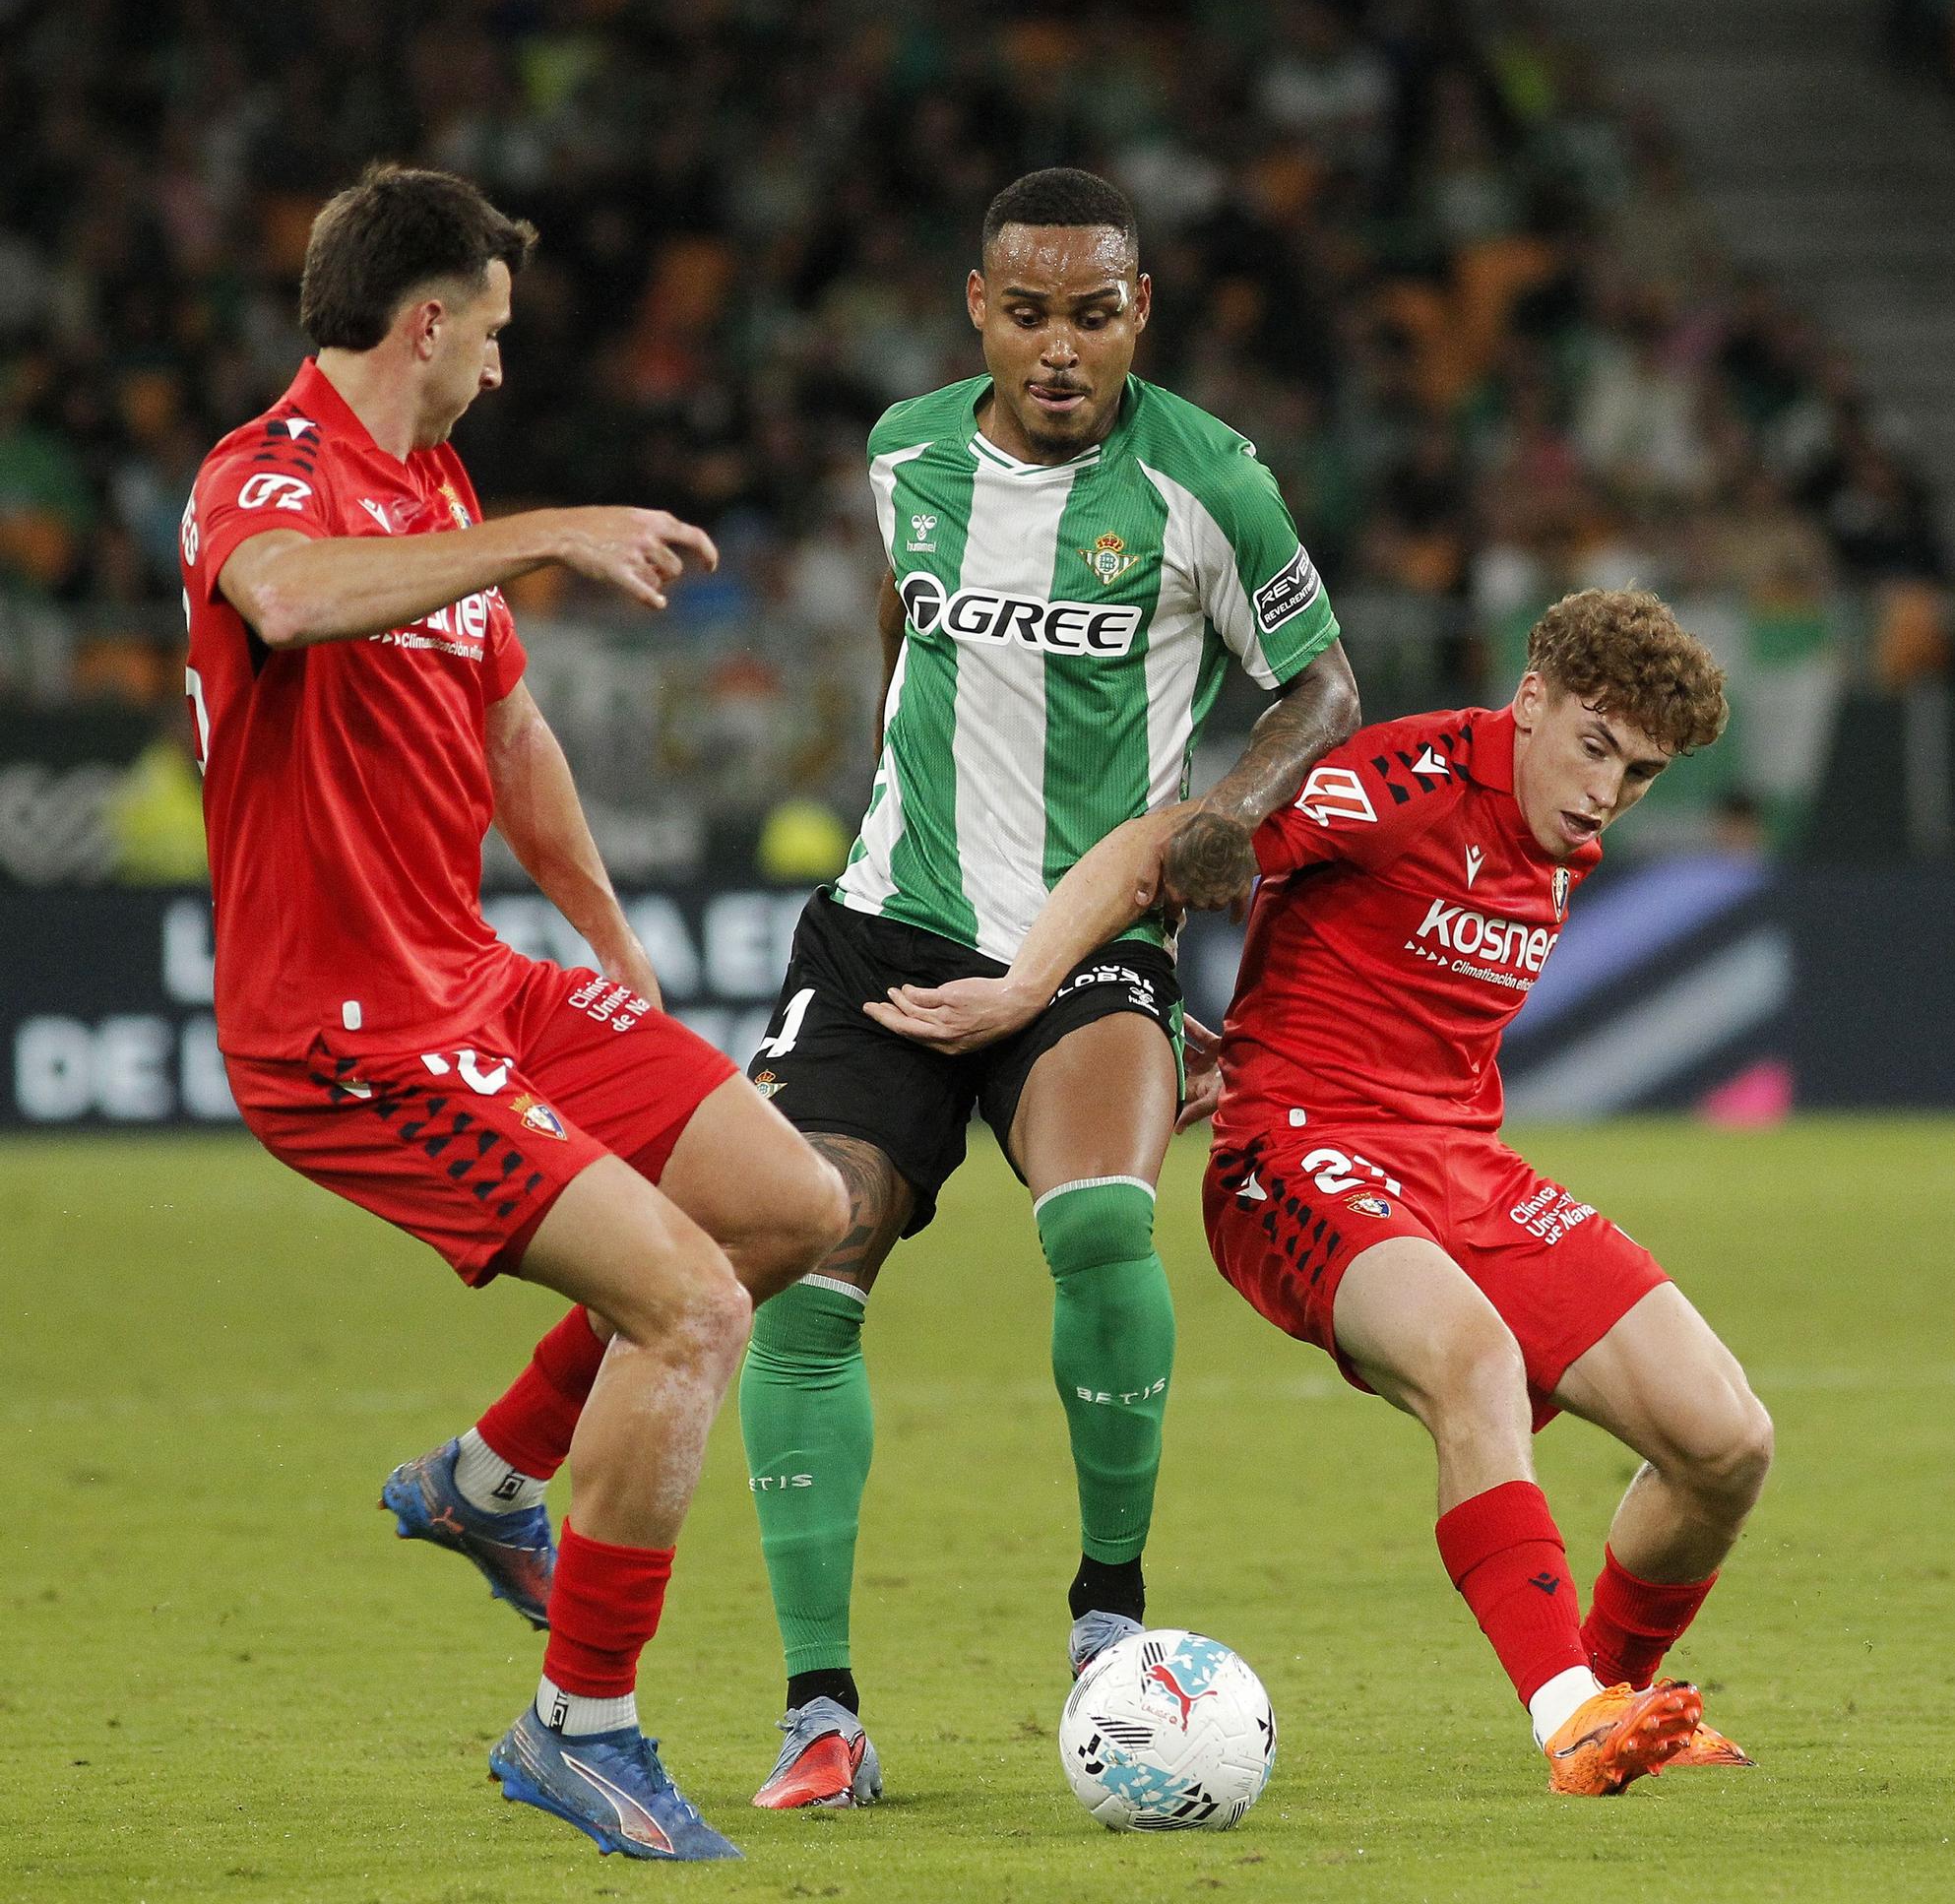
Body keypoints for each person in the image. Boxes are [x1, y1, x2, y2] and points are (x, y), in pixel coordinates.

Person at [181, 163, 847, 1863]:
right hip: (341, 1029)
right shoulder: (265, 479)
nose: (499, 363)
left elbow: (513, 744)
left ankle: (488, 1483)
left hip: (474, 979)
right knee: (688, 1308)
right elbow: (289, 599)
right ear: (425, 319)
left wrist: (610, 944)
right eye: (490, 331)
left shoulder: (436, 482)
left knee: (788, 1206)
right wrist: (549, 530)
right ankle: (582, 1724)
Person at [871, 588, 1771, 1797]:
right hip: (1292, 1154)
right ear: (1533, 698)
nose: (1607, 789)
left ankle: (1606, 1689)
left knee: (1726, 1442)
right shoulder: (1406, 781)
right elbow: (1168, 848)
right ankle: (1570, 1716)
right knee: (1475, 1357)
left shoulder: (1561, 825)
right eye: (1594, 746)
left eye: (1642, 771)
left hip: (1460, 1161)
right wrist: (1048, 993)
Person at [716, 165, 1361, 1809]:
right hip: (882, 937)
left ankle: (1107, 1619)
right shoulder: (904, 452)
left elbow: (1322, 681)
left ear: (1139, 311)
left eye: (1093, 312)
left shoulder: (1210, 482)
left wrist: (1225, 817)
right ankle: (818, 1716)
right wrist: (894, 778)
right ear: (977, 313)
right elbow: (901, 624)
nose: (1059, 347)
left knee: (1096, 1224)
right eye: (1027, 313)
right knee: (805, 1254)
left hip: (1090, 950)